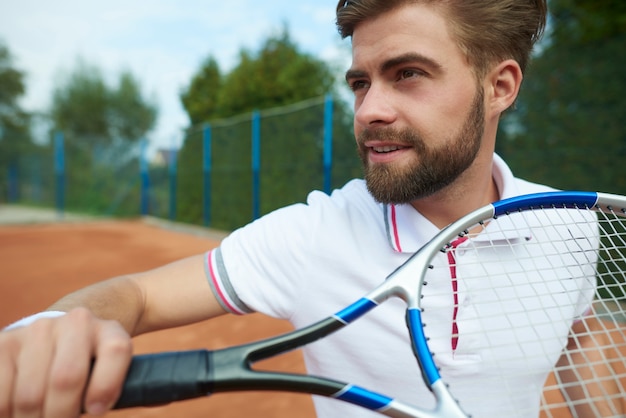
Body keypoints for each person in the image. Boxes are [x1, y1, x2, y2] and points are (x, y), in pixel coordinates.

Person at [1, 1, 590, 417]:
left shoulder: (574, 229)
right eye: (360, 83)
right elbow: (137, 294)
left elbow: (586, 369)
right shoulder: (311, 236)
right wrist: (49, 332)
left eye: (407, 74)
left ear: (500, 87)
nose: (368, 111)